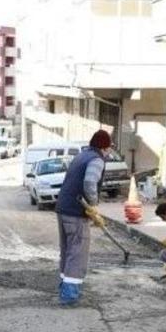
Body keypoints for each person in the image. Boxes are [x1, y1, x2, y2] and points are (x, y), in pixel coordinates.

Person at [54, 129, 111, 305]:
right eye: (109, 147)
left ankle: (64, 286)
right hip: (76, 211)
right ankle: (69, 295)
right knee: (78, 252)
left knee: (68, 250)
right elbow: (89, 182)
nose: (109, 151)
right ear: (104, 146)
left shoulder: (81, 155)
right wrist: (93, 206)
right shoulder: (96, 160)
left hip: (63, 208)